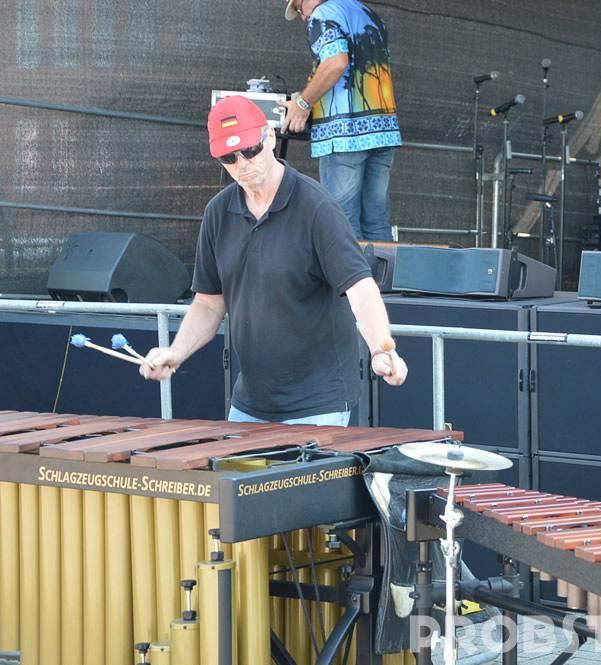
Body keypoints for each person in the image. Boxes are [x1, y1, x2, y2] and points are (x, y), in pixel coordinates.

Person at [140, 95, 407, 425]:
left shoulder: (316, 208)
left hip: (318, 404)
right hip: (250, 402)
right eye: (229, 157)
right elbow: (209, 303)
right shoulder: (218, 213)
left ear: (269, 137)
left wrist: (380, 349)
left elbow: (360, 289)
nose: (242, 164)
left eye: (250, 150)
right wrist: (176, 352)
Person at [279, 0, 401, 242]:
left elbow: (336, 62)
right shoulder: (368, 13)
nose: (303, 17)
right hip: (383, 131)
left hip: (346, 134)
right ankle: (381, 270)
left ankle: (351, 270)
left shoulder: (322, 14)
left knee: (342, 225)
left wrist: (302, 104)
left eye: (298, 9)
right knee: (376, 223)